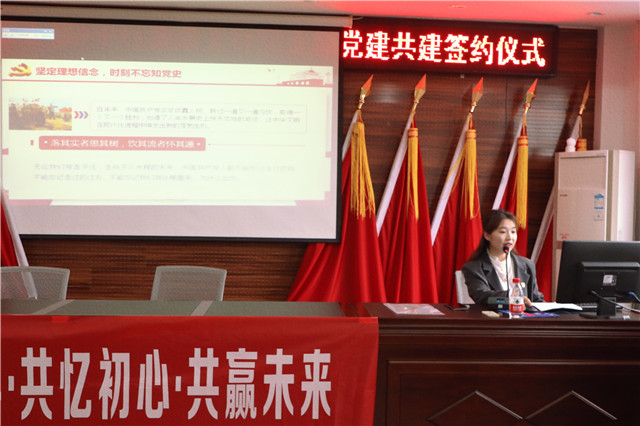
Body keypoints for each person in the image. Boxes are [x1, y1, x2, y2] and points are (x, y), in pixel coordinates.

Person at [462, 209, 544, 306]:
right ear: (487, 235)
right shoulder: (473, 267)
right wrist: (511, 296)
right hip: (492, 315)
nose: (510, 237)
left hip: (524, 315)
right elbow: (482, 296)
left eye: (513, 231)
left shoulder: (527, 264)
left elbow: (536, 299)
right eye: (503, 232)